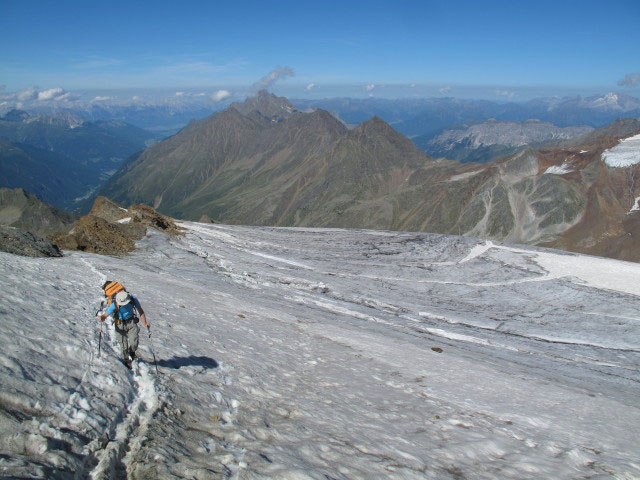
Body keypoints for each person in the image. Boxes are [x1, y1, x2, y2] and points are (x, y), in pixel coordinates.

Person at [98, 283, 150, 368]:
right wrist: (102, 318)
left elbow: (140, 311)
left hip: (131, 322)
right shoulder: (115, 304)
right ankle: (126, 360)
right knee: (123, 345)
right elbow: (106, 315)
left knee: (134, 342)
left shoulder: (133, 299)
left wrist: (145, 323)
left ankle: (132, 351)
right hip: (119, 323)